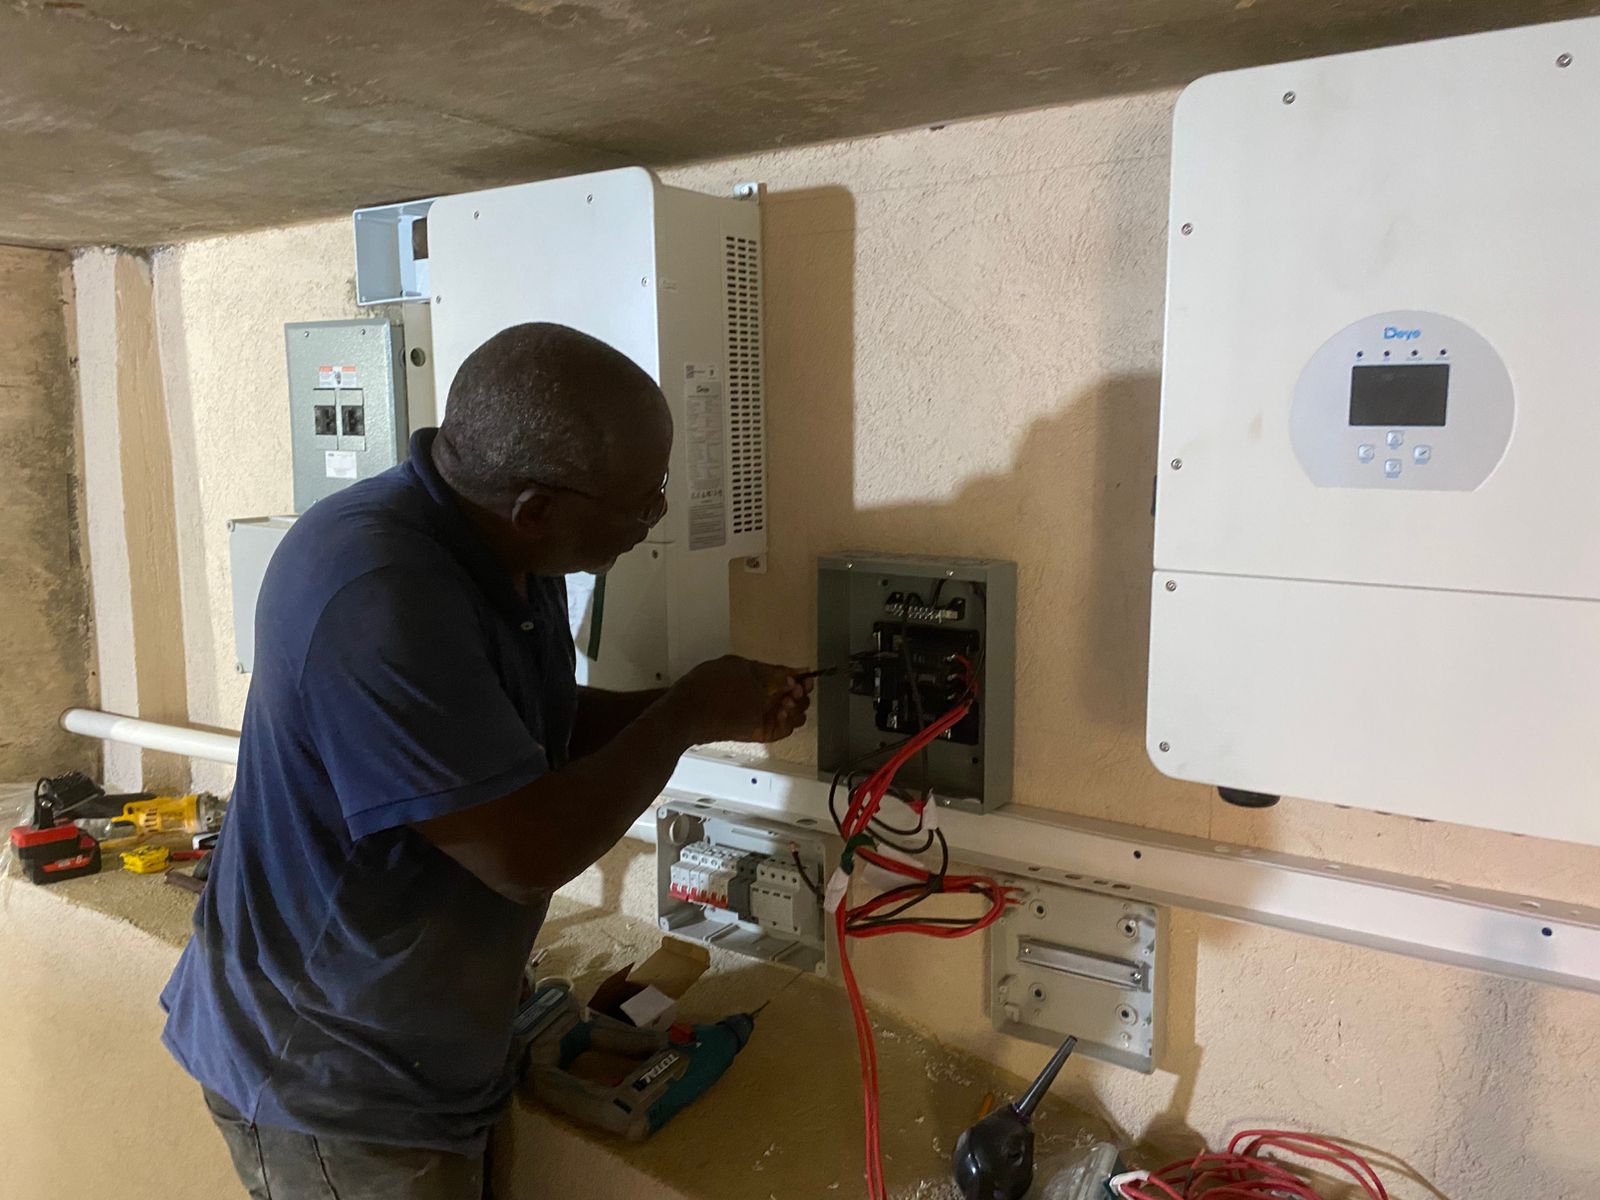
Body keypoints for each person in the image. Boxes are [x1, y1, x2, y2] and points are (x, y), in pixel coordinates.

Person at [160, 322, 811, 1199]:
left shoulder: (506, 549)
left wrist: (694, 710)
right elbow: (523, 852)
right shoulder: (379, 592)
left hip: (423, 1053)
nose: (652, 519)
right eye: (641, 504)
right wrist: (686, 711)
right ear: (536, 506)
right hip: (331, 1084)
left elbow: (515, 732)